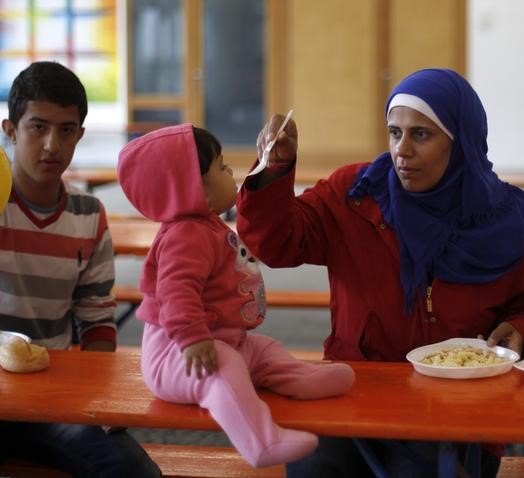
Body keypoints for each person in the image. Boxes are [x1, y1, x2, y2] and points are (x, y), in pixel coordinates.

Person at [237, 68, 524, 476]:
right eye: (394, 132)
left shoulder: (511, 220)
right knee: (313, 466)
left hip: (460, 400)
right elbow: (276, 243)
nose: (401, 150)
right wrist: (274, 171)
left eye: (421, 134)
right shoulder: (355, 194)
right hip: (356, 385)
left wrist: (520, 329)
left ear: (461, 141)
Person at [116, 123, 356, 468]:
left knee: (264, 351)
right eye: (222, 167)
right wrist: (192, 339)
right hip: (177, 354)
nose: (232, 172)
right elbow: (175, 291)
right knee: (225, 366)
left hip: (222, 339)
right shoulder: (185, 235)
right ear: (195, 189)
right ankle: (260, 442)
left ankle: (303, 379)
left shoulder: (204, 226)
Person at [0, 61, 161, 477]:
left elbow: (96, 321)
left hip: (53, 400)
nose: (52, 144)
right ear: (10, 130)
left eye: (66, 130)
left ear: (80, 136)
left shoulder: (89, 215)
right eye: (38, 127)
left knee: (133, 470)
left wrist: (100, 397)